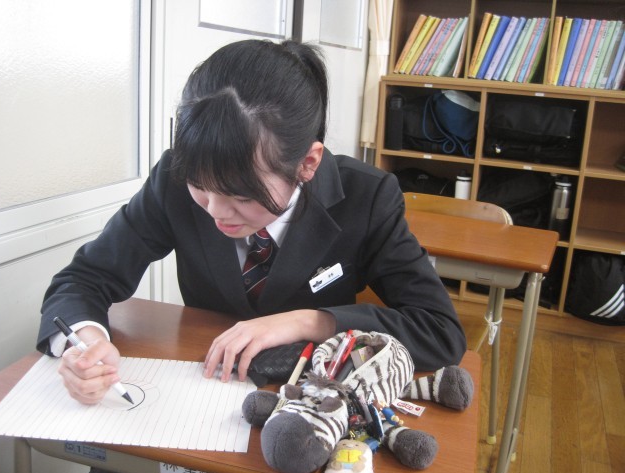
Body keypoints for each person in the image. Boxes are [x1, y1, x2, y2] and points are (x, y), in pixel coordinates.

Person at [37, 39, 466, 408]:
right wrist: (87, 341)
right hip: (201, 394)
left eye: (242, 196)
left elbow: (439, 331)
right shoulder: (172, 179)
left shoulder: (366, 198)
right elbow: (84, 279)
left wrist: (309, 321)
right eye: (199, 186)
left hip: (309, 404)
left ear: (308, 163)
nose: (215, 211)